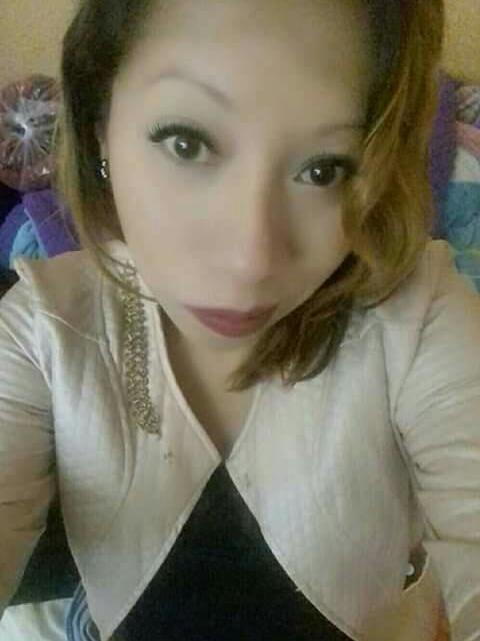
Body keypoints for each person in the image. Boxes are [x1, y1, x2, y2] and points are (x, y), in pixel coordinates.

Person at [0, 0, 478, 639]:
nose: (251, 261)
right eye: (187, 143)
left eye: (323, 169)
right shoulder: (45, 326)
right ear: (98, 129)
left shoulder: (419, 315)